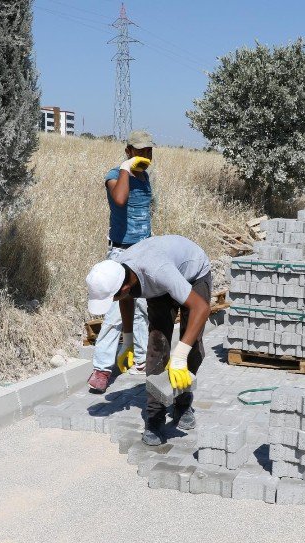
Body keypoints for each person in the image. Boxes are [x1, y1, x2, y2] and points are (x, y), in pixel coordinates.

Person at [85, 235, 212, 445]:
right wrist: (128, 341)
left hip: (193, 274)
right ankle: (155, 418)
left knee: (191, 347)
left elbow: (202, 308)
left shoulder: (156, 271)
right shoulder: (119, 272)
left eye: (114, 297)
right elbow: (125, 300)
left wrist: (180, 356)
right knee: (156, 347)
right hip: (161, 283)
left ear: (124, 287)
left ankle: (183, 402)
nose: (116, 299)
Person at [87, 130, 156, 393]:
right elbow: (120, 200)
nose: (144, 155)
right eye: (139, 151)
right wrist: (126, 168)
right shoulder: (115, 175)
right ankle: (102, 369)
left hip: (143, 251)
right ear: (128, 151)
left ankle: (139, 360)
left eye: (148, 151)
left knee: (140, 308)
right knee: (116, 310)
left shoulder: (145, 177)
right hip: (121, 253)